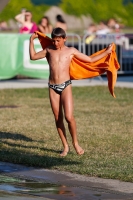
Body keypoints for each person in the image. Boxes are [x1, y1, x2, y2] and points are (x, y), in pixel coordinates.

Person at [29, 27, 113, 157]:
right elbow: (33, 57)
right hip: (52, 87)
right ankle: (65, 146)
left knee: (69, 117)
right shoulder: (49, 50)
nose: (55, 43)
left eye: (58, 40)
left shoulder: (71, 51)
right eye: (54, 40)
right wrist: (31, 41)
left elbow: (90, 60)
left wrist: (107, 52)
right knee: (58, 118)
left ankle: (75, 143)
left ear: (64, 39)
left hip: (66, 86)